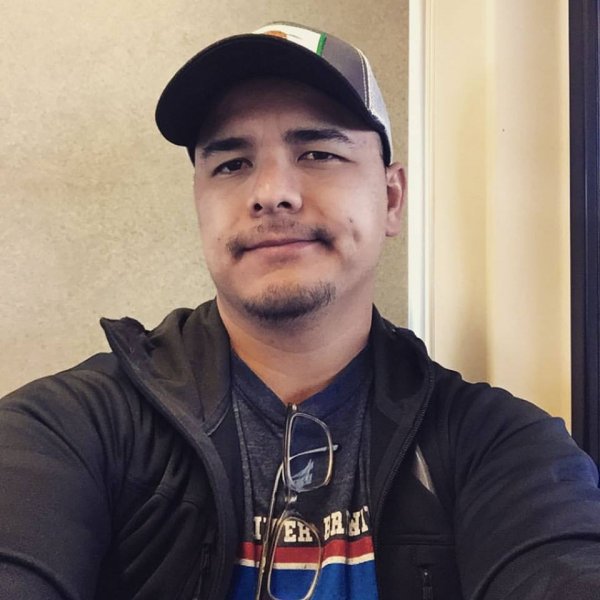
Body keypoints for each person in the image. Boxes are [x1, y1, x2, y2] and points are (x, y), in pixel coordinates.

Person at [1, 21, 599, 600]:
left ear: (391, 198)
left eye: (317, 153)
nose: (271, 193)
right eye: (231, 164)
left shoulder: (497, 444)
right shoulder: (74, 427)